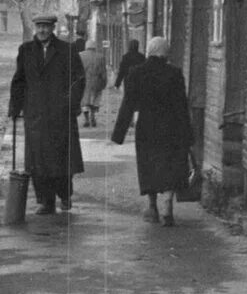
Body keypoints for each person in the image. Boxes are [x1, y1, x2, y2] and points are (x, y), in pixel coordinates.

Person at [111, 36, 194, 227]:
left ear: (148, 51)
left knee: (149, 166)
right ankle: (167, 206)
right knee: (171, 165)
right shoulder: (175, 74)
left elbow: (128, 104)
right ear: (166, 53)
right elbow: (182, 106)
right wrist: (188, 134)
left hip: (147, 127)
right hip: (171, 128)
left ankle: (152, 206)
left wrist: (118, 134)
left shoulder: (136, 73)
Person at [8, 14, 86, 215]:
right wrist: (15, 109)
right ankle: (45, 201)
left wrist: (71, 103)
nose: (42, 30)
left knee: (61, 160)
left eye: (46, 27)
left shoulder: (66, 50)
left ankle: (65, 195)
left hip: (61, 115)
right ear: (35, 27)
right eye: (39, 26)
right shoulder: (26, 50)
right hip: (36, 115)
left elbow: (79, 79)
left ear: (53, 28)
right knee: (37, 162)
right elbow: (19, 80)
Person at [78, 39, 108, 127]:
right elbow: (103, 72)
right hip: (97, 82)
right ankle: (93, 116)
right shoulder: (101, 57)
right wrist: (104, 82)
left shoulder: (80, 55)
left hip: (84, 82)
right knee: (95, 100)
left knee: (84, 101)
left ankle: (86, 118)